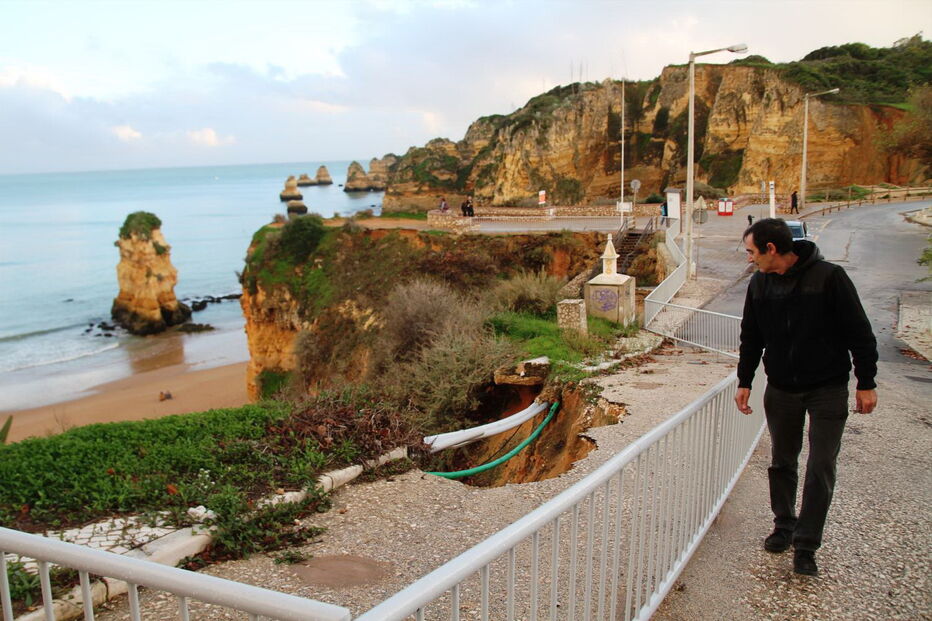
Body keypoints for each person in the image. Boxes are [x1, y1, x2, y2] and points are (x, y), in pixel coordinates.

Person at [734, 218, 877, 577]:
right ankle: (784, 525)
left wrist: (866, 381)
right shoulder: (758, 285)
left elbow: (859, 332)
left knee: (820, 467)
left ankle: (807, 544)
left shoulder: (830, 278)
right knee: (782, 462)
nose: (750, 259)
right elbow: (751, 336)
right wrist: (745, 379)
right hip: (781, 388)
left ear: (771, 249)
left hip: (826, 388)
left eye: (752, 252)